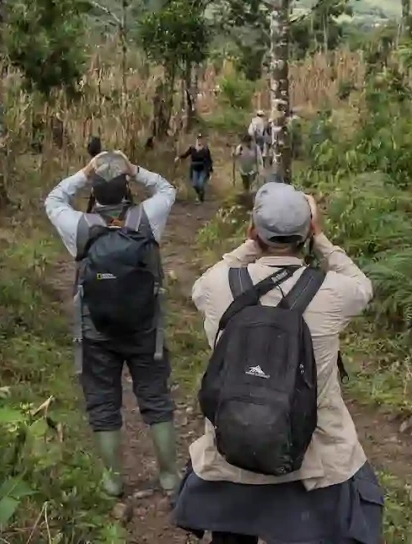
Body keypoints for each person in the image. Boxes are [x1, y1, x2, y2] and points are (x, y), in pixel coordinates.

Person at [173, 182, 383, 544]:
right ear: (308, 233)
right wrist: (322, 240)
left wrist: (250, 244)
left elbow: (203, 285)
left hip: (232, 454)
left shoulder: (218, 285)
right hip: (313, 464)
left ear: (254, 231)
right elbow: (362, 286)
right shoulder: (333, 291)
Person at [44, 145, 182, 500]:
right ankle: (169, 477)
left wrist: (85, 173)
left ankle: (113, 481)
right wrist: (135, 169)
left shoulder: (80, 226)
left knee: (104, 405)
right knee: (156, 400)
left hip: (95, 331)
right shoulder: (147, 219)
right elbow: (167, 189)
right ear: (126, 188)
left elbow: (54, 199)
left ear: (94, 191)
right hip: (145, 329)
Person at [178, 133, 215, 202]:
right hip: (195, 168)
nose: (199, 141)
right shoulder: (192, 148)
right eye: (198, 139)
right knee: (195, 184)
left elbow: (209, 160)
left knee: (200, 184)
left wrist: (210, 170)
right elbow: (186, 155)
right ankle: (200, 194)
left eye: (201, 140)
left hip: (203, 168)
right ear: (196, 140)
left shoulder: (205, 150)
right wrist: (179, 157)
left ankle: (201, 196)